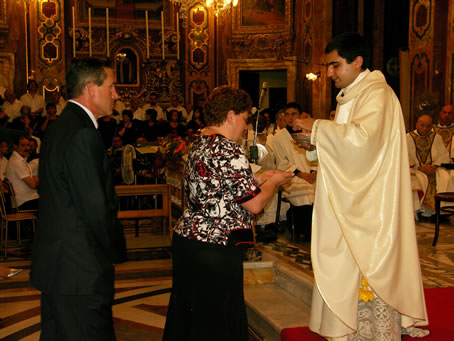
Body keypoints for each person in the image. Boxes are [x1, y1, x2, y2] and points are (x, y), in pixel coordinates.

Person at [294, 32, 428, 340]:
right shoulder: (354, 94)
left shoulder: (377, 94)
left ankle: (372, 329)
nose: (329, 73)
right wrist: (314, 144)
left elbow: (363, 142)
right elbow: (347, 146)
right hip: (354, 194)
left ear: (357, 62)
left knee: (365, 259)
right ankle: (346, 325)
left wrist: (318, 129)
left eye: (334, 65)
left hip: (371, 202)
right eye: (327, 66)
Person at [163, 85, 292, 341]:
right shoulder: (229, 149)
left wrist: (259, 178)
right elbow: (254, 205)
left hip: (190, 241)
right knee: (217, 322)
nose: (245, 126)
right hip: (215, 248)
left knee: (191, 320)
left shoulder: (200, 142)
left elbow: (218, 188)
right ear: (231, 116)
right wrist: (272, 184)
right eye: (245, 119)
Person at [30, 57, 126, 341]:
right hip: (80, 270)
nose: (116, 94)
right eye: (112, 86)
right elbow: (95, 207)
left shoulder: (60, 126)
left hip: (59, 265)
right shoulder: (83, 134)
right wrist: (116, 250)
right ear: (91, 88)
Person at [407, 114, 454, 218]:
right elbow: (405, 156)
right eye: (422, 125)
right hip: (416, 169)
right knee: (416, 179)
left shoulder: (436, 137)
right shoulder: (408, 137)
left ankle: (441, 210)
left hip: (433, 169)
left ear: (432, 126)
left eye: (428, 126)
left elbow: (443, 155)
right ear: (417, 124)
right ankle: (417, 209)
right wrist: (419, 167)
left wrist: (435, 166)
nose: (425, 128)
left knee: (445, 178)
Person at [5, 135, 39, 210]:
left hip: (29, 199)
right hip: (24, 202)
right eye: (23, 145)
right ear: (15, 146)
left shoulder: (20, 160)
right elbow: (33, 185)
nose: (27, 148)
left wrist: (36, 180)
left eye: (28, 145)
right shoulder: (16, 162)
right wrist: (37, 180)